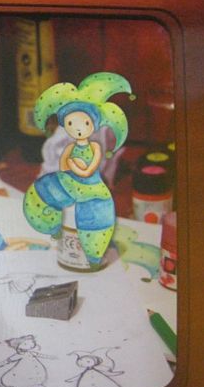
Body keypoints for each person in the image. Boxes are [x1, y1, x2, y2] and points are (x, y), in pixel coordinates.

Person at [22, 72, 133, 266]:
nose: (78, 128)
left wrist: (77, 169)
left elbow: (89, 170)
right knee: (41, 190)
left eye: (85, 123)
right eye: (71, 123)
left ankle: (94, 253)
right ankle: (49, 225)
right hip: (71, 182)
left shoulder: (95, 146)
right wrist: (68, 173)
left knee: (97, 214)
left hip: (91, 186)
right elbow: (63, 165)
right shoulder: (68, 146)